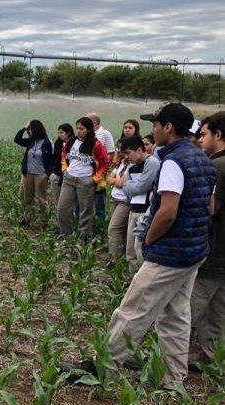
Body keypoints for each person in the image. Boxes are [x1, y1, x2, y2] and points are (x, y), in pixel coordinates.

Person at [62, 103, 216, 387]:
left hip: (169, 253)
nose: (153, 129)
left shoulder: (173, 162)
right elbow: (209, 207)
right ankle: (173, 377)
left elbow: (167, 211)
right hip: (194, 251)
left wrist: (149, 238)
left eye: (156, 123)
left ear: (168, 127)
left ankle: (102, 368)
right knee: (176, 315)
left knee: (133, 309)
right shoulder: (202, 158)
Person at [189, 111, 225, 366]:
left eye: (203, 134)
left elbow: (210, 208)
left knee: (189, 306)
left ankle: (165, 357)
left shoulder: (216, 166)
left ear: (218, 135)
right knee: (217, 309)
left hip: (214, 248)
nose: (200, 140)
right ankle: (210, 356)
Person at [57, 117, 109, 241]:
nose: (79, 131)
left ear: (89, 129)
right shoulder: (72, 141)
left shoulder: (96, 144)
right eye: (77, 128)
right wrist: (65, 169)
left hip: (86, 181)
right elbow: (64, 154)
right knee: (62, 209)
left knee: (85, 212)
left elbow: (105, 163)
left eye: (82, 128)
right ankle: (65, 234)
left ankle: (83, 237)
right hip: (69, 179)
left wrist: (95, 179)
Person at [117, 135, 160, 272]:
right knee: (130, 250)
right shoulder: (132, 168)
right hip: (133, 209)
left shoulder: (152, 163)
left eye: (129, 153)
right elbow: (128, 190)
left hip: (145, 211)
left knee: (139, 249)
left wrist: (128, 185)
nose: (127, 157)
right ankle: (130, 280)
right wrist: (129, 185)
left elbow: (142, 186)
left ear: (140, 150)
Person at [13, 120, 53, 226]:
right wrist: (24, 128)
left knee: (41, 199)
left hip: (41, 175)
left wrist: (47, 174)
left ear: (36, 130)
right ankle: (26, 218)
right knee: (27, 198)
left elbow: (50, 160)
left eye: (30, 129)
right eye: (28, 130)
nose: (29, 132)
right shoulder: (30, 141)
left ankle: (44, 220)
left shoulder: (47, 143)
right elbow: (17, 139)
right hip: (28, 174)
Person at [105, 138, 136, 265]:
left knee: (113, 228)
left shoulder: (133, 165)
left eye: (121, 149)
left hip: (124, 201)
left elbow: (119, 183)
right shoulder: (121, 163)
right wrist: (116, 180)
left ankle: (113, 259)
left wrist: (116, 180)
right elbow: (108, 180)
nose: (118, 152)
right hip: (114, 198)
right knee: (120, 230)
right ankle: (121, 257)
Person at [87, 112, 115, 229]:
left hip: (100, 174)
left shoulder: (105, 134)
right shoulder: (86, 135)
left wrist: (102, 169)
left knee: (99, 200)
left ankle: (100, 226)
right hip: (86, 173)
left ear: (94, 122)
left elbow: (111, 153)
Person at [50, 124, 74, 209]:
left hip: (70, 176)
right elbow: (58, 155)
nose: (59, 134)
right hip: (58, 174)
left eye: (61, 132)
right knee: (58, 201)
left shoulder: (75, 143)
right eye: (58, 132)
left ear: (68, 133)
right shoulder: (58, 143)